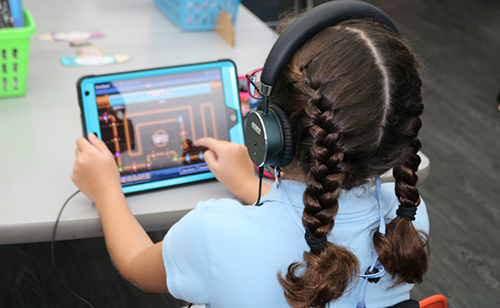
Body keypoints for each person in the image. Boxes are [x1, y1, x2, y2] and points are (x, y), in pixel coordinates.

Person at [71, 16, 429, 307]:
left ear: (270, 131)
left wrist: (105, 189)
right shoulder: (408, 216)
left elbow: (137, 266)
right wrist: (245, 182)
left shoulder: (214, 232)